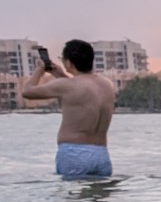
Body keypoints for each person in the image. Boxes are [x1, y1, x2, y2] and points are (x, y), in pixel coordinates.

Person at [22, 40, 116, 179]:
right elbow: (82, 89)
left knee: (74, 200)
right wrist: (60, 74)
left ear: (69, 63)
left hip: (74, 153)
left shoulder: (66, 85)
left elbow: (27, 91)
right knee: (98, 199)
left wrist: (40, 70)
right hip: (101, 154)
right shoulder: (107, 85)